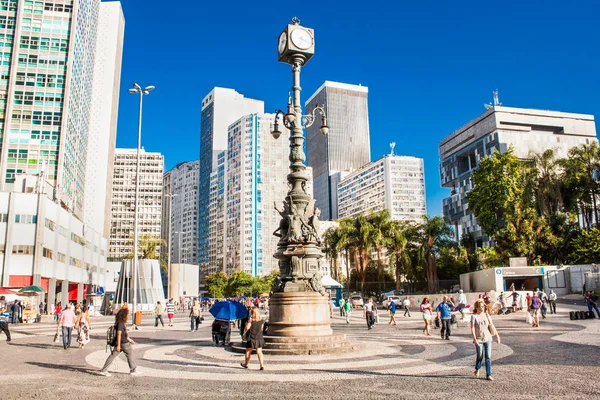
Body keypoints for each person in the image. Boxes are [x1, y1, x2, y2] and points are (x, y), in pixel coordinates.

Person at [99, 307, 140, 376]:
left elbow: (124, 334)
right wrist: (118, 345)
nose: (128, 315)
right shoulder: (121, 323)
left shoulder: (119, 322)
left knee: (112, 356)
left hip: (121, 342)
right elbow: (119, 333)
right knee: (130, 354)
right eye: (127, 314)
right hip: (123, 343)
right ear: (124, 315)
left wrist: (129, 339)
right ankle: (133, 370)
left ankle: (104, 370)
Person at [471, 299, 500, 381]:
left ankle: (488, 374)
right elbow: (472, 328)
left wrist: (497, 336)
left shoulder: (486, 315)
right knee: (480, 356)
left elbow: (492, 325)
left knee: (488, 357)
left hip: (487, 338)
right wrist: (475, 339)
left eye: (483, 306)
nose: (482, 308)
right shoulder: (474, 316)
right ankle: (477, 368)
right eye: (480, 307)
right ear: (476, 307)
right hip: (479, 338)